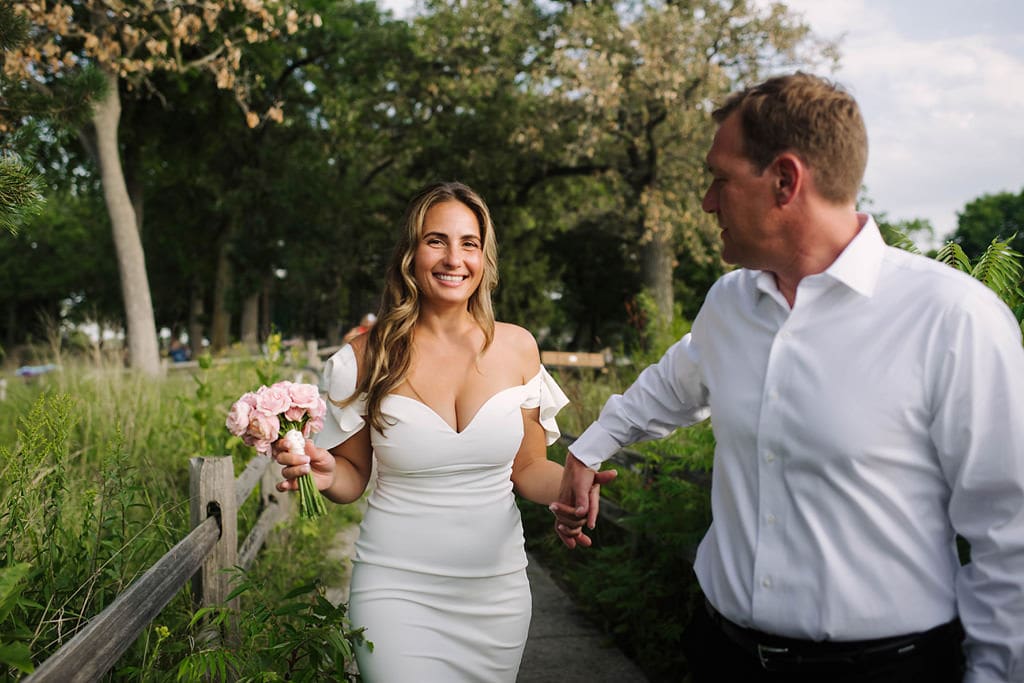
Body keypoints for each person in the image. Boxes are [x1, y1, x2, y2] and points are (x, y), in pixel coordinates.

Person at [556, 72, 1024, 682]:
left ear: (784, 180)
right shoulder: (731, 303)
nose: (707, 202)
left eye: (720, 179)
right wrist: (588, 449)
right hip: (720, 657)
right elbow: (672, 385)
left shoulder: (953, 318)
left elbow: (1009, 533)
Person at [273, 181, 611, 682]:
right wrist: (325, 475)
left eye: (468, 243)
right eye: (436, 241)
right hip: (395, 590)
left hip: (496, 594)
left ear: (484, 258)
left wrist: (571, 484)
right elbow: (352, 477)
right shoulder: (366, 356)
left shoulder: (518, 348)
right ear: (410, 254)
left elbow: (528, 468)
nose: (454, 258)